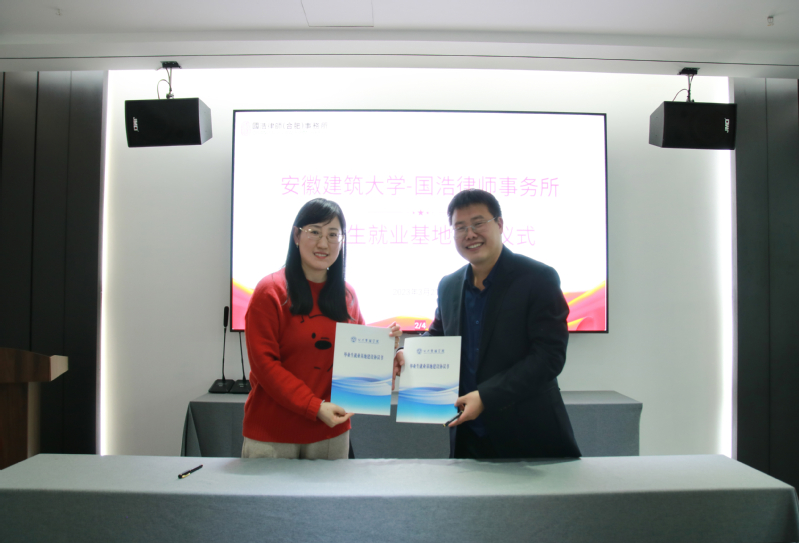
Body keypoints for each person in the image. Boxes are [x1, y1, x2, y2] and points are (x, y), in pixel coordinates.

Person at [394, 189, 581, 460]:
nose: (469, 234)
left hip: (530, 436)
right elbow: (439, 336)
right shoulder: (449, 285)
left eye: (478, 223)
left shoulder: (538, 278)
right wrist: (406, 354)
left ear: (500, 224)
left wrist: (486, 396)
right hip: (469, 437)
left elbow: (549, 357)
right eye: (460, 227)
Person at [243, 198, 401, 460]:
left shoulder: (347, 296)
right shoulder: (270, 291)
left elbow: (358, 363)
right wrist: (313, 406)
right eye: (314, 232)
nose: (323, 243)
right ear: (296, 235)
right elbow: (265, 365)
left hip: (330, 434)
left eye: (333, 235)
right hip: (272, 434)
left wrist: (387, 355)